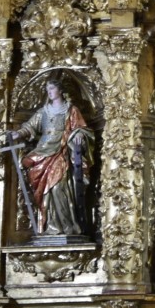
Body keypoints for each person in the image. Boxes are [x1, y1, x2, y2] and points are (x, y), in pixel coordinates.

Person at [8, 77, 94, 235]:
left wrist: (78, 135)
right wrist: (18, 133)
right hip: (43, 151)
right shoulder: (43, 111)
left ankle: (67, 227)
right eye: (48, 90)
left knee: (59, 187)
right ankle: (50, 226)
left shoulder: (70, 110)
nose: (50, 92)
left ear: (60, 91)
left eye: (52, 89)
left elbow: (82, 129)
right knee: (43, 191)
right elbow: (29, 126)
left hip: (61, 153)